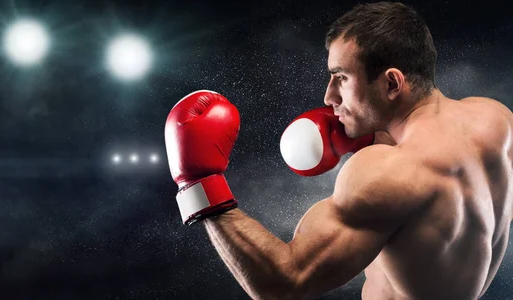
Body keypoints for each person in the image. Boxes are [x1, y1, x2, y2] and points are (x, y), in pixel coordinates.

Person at [164, 2, 513, 299]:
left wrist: (199, 183)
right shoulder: (495, 118)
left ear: (392, 82)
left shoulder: (384, 173)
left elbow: (284, 284)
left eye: (341, 77)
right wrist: (370, 134)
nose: (329, 97)